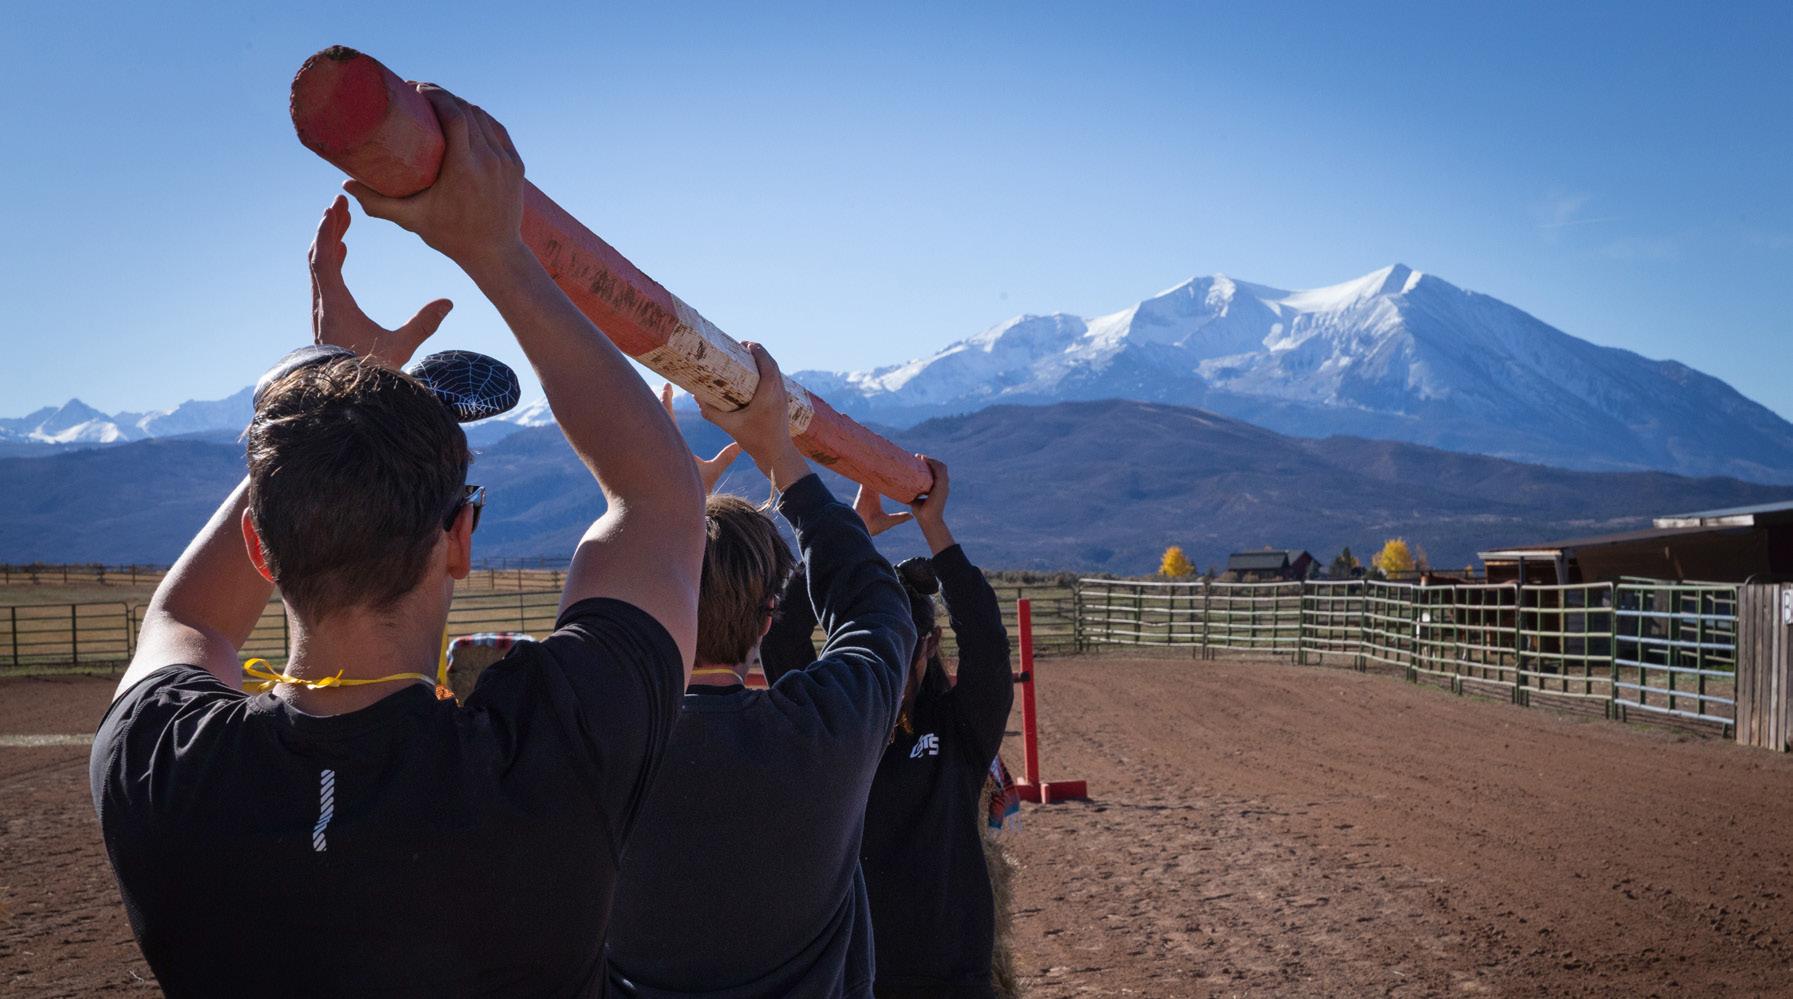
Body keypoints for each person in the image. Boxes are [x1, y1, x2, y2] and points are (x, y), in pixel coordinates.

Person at [88, 86, 705, 997]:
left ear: (261, 545)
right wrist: (495, 251)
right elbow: (660, 499)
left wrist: (326, 386)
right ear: (459, 537)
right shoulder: (550, 756)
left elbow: (185, 619)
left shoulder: (161, 767)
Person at [605, 345, 917, 998]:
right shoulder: (824, 729)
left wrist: (661, 514)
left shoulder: (600, 745)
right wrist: (781, 458)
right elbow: (877, 610)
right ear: (768, 618)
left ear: (654, 598)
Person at [762, 459, 1016, 998]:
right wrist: (844, 535)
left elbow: (987, 643)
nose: (885, 658)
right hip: (855, 977)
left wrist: (935, 527)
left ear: (927, 645)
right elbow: (781, 637)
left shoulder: (959, 729)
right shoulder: (830, 717)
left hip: (952, 979)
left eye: (898, 644)